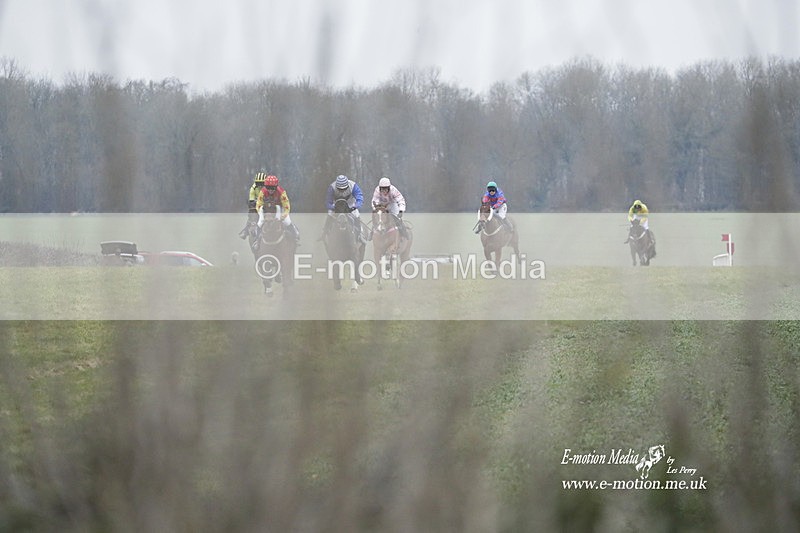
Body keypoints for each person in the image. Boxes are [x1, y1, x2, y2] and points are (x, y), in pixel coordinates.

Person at [321, 174, 367, 244]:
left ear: (347, 185)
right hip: (337, 206)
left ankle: (360, 235)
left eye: (344, 189)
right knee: (330, 214)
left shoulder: (353, 186)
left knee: (357, 215)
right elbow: (328, 202)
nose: (342, 191)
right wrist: (333, 207)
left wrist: (355, 206)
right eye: (340, 189)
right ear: (337, 186)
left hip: (350, 205)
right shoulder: (332, 187)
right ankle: (324, 234)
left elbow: (359, 197)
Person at [256, 175, 300, 245]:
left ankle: (295, 236)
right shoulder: (262, 192)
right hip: (266, 209)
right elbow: (259, 204)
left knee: (287, 221)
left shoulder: (281, 192)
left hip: (279, 208)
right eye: (268, 188)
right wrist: (262, 215)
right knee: (260, 222)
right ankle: (256, 240)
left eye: (272, 188)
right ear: (265, 187)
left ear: (276, 187)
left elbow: (286, 206)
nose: (270, 190)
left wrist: (283, 215)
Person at [238, 172, 267, 239]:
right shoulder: (253, 188)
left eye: (262, 184)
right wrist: (253, 205)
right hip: (257, 205)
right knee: (252, 213)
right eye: (258, 183)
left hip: (266, 204)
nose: (260, 186)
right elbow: (251, 201)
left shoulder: (268, 188)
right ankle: (246, 230)